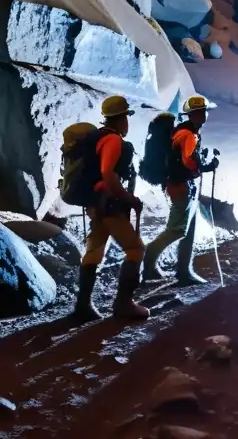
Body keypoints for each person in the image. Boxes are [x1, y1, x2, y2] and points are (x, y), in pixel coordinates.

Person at [74, 95, 149, 322]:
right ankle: (124, 304)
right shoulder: (113, 141)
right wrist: (128, 198)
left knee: (94, 252)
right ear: (121, 118)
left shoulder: (97, 138)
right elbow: (108, 173)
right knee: (136, 249)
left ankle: (82, 306)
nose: (127, 122)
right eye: (126, 117)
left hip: (96, 204)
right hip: (109, 205)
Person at [142, 95, 219, 285]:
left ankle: (184, 271)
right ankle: (149, 259)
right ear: (192, 115)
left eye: (203, 112)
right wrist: (206, 166)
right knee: (177, 229)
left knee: (188, 228)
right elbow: (188, 160)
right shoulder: (188, 135)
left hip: (181, 184)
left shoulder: (184, 132)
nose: (203, 115)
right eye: (200, 112)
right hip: (181, 185)